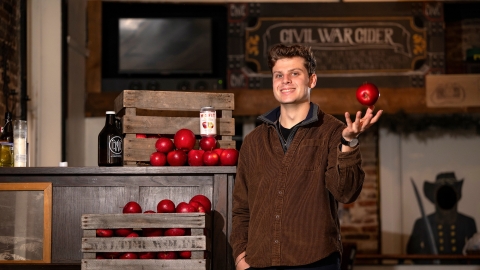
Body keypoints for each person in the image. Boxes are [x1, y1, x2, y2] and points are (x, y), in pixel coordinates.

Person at [230, 43, 383, 270]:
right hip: (258, 262)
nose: (286, 81)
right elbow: (242, 208)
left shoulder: (334, 132)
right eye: (278, 75)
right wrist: (241, 258)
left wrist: (348, 142)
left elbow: (346, 192)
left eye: (295, 73)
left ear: (312, 80)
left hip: (316, 262)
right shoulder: (254, 141)